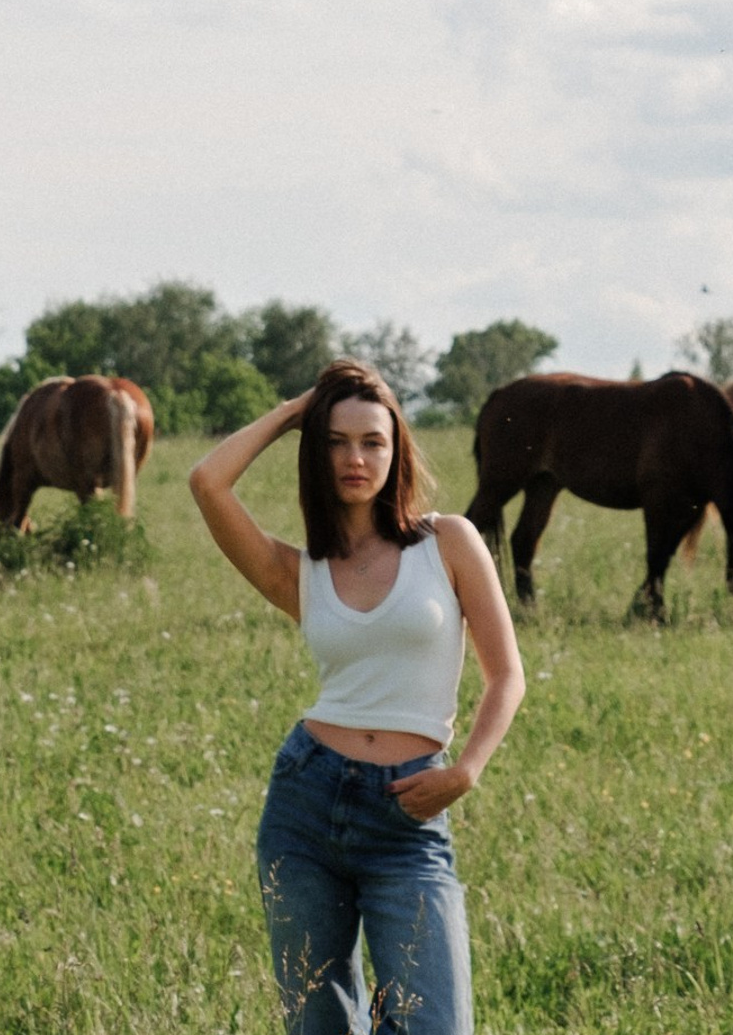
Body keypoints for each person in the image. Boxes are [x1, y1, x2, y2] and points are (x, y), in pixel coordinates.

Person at [188, 358, 525, 1035]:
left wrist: (466, 771)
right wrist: (294, 411)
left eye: (373, 440)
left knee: (437, 1024)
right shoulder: (300, 569)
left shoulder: (448, 541)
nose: (355, 457)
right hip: (305, 805)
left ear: (396, 449)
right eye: (336, 441)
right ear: (316, 450)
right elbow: (207, 482)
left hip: (409, 813)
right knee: (320, 1022)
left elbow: (506, 674)